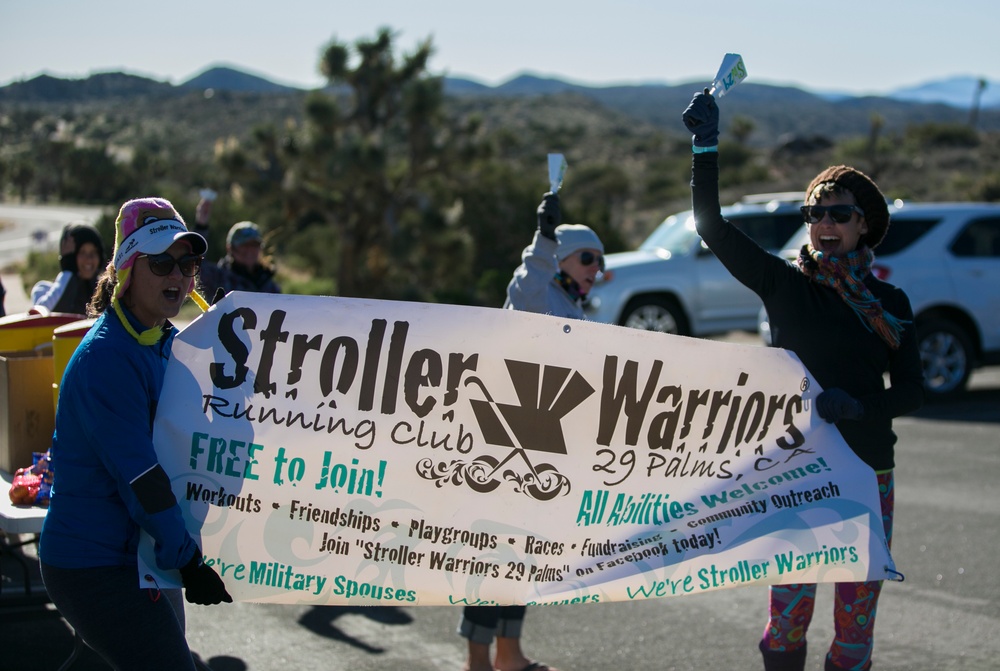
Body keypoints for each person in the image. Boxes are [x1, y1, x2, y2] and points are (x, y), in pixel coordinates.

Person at [682, 91, 924, 671]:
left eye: (838, 213)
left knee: (855, 619)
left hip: (867, 472)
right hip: (795, 470)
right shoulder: (785, 285)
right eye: (813, 214)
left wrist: (860, 408)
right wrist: (705, 148)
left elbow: (914, 391)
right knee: (788, 615)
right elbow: (711, 227)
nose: (823, 224)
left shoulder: (890, 304)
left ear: (866, 224)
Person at [39, 197, 231, 671]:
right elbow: (141, 477)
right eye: (161, 262)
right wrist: (187, 562)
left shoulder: (158, 338)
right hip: (96, 564)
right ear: (127, 270)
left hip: (140, 553)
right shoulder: (108, 358)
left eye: (187, 263)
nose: (178, 276)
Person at [458, 193, 603, 671]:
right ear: (560, 258)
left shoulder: (575, 308)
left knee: (521, 554)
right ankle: (479, 659)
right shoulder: (538, 295)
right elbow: (522, 291)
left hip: (545, 449)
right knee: (491, 553)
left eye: (600, 262)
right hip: (504, 445)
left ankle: (509, 655)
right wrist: (542, 238)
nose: (595, 268)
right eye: (587, 257)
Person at [193, 195, 280, 301]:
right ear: (230, 248)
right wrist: (201, 225)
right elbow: (194, 265)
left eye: (254, 245)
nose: (249, 250)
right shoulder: (218, 277)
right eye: (244, 245)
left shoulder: (269, 284)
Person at [31, 223, 106, 314]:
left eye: (94, 252)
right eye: (82, 252)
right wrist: (69, 270)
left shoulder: (106, 292)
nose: (89, 259)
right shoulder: (42, 289)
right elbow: (44, 314)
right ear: (71, 258)